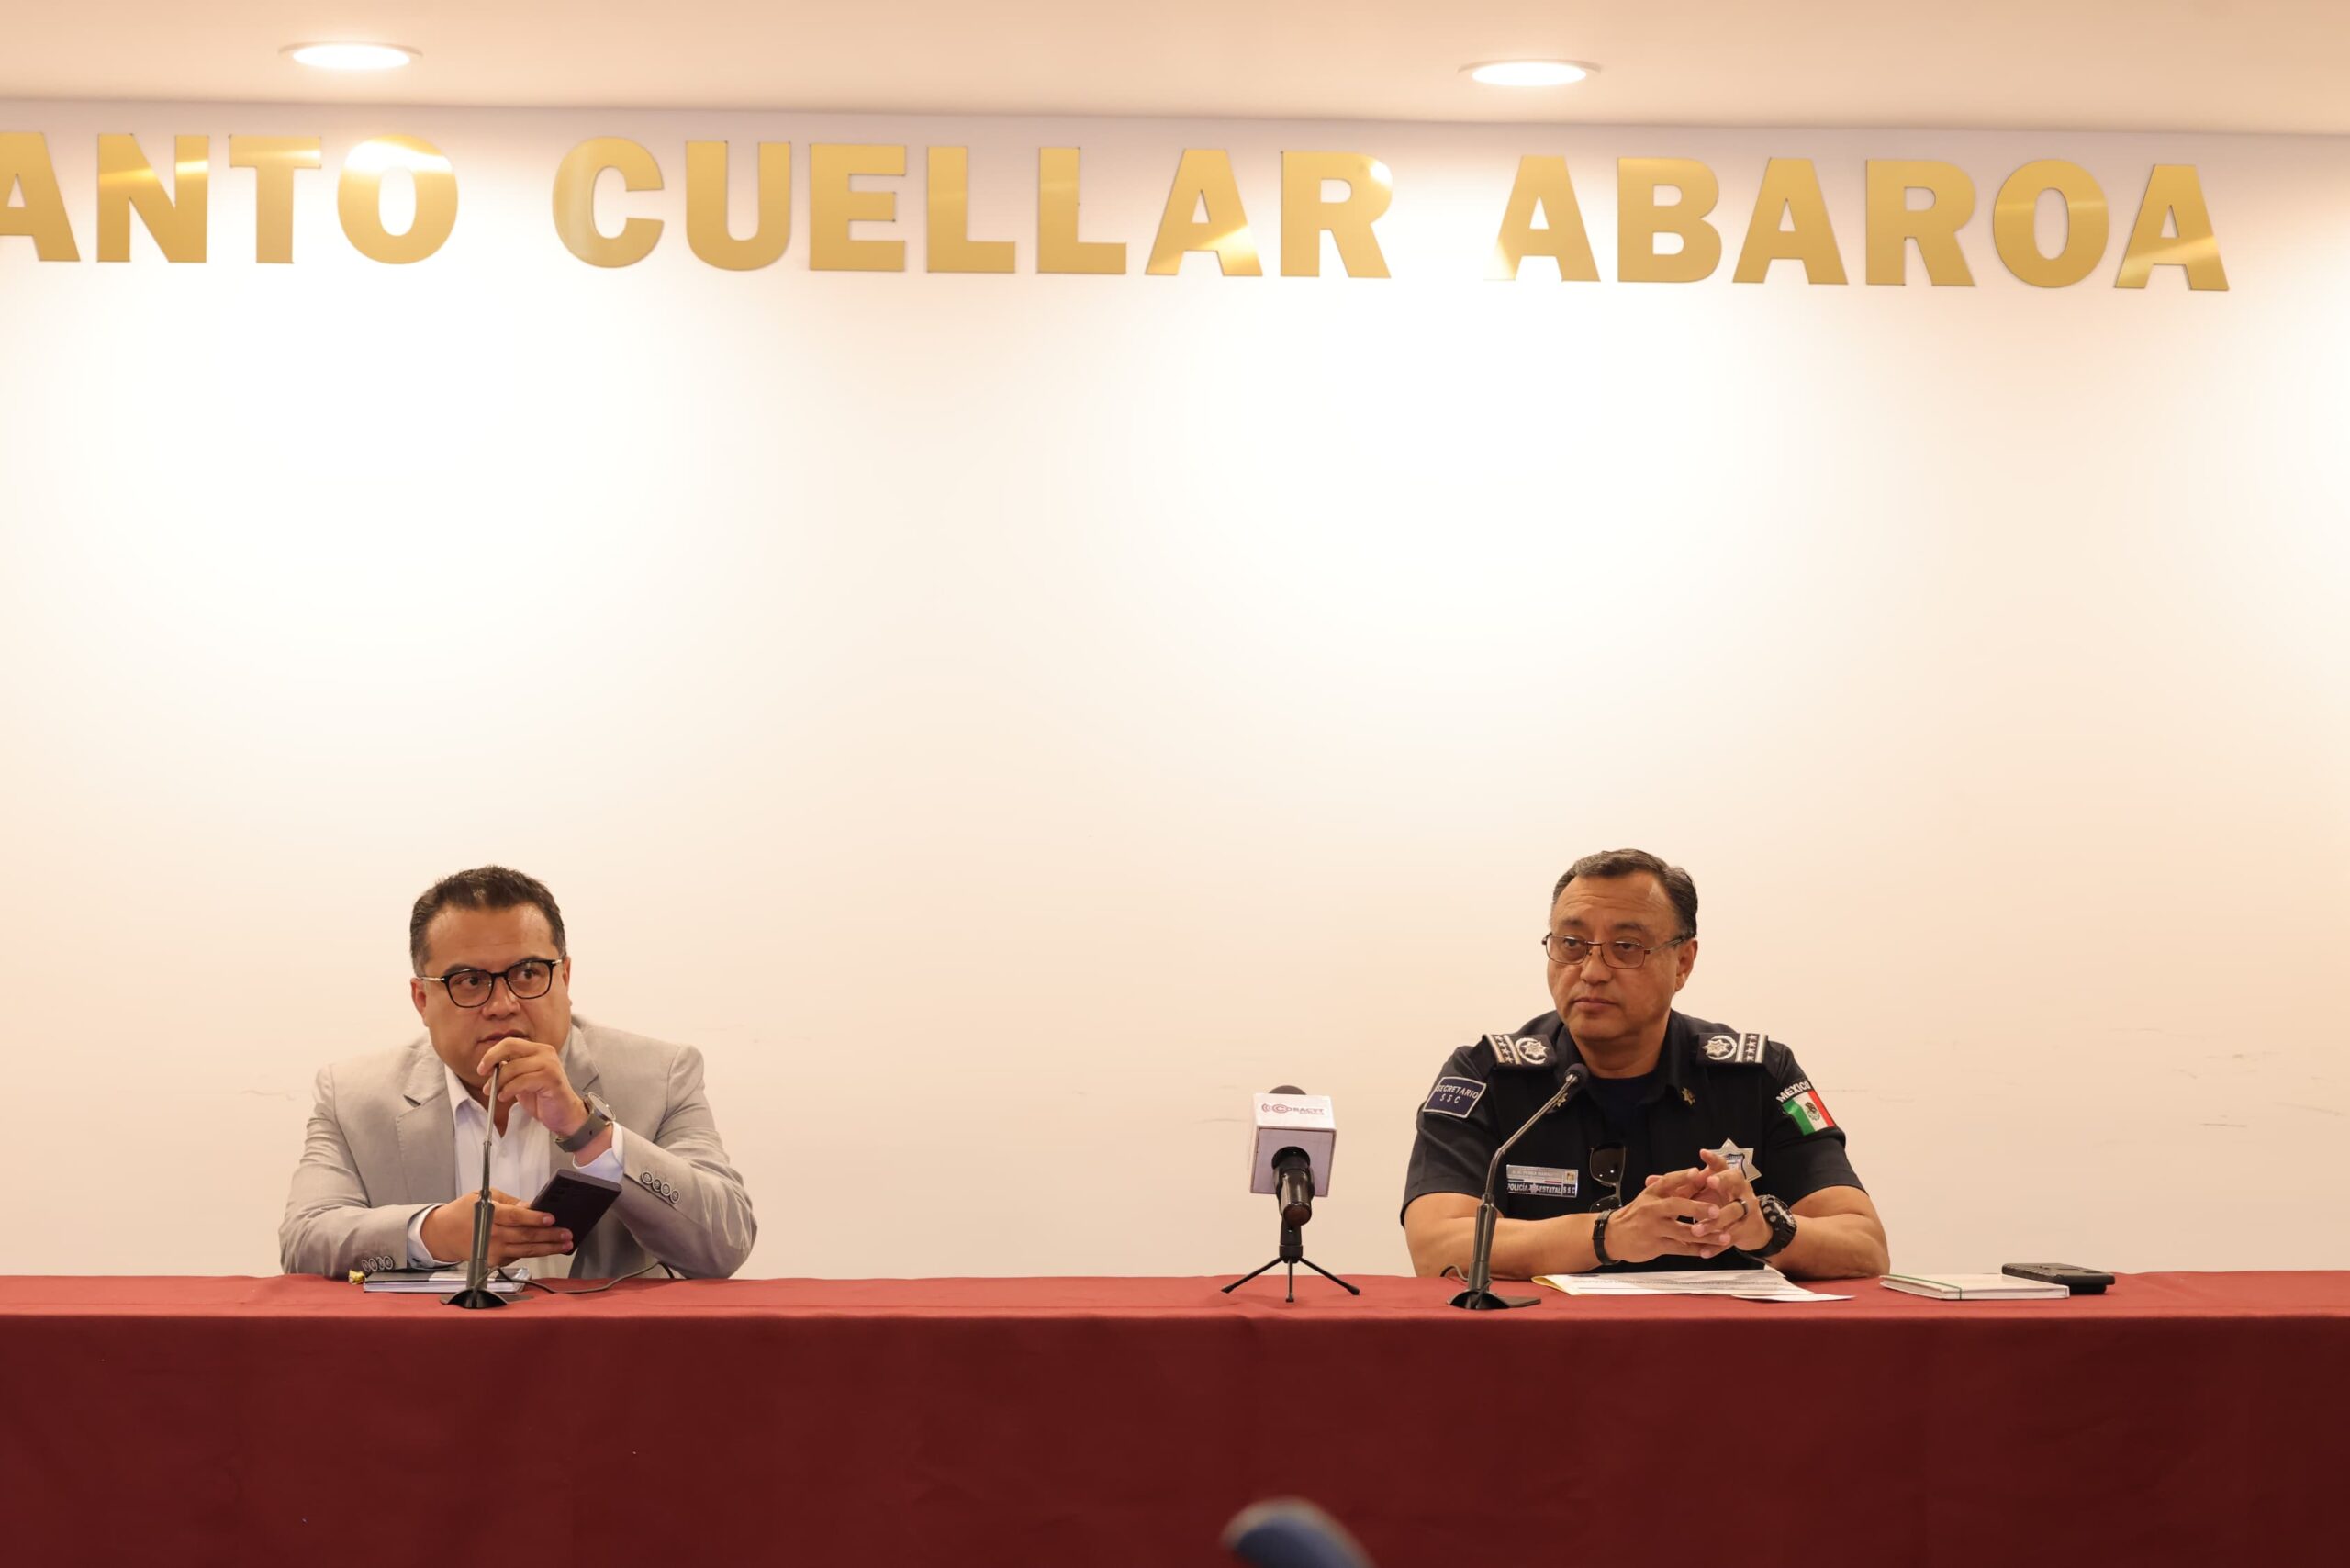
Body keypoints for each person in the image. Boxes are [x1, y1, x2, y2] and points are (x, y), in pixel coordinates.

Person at [1402, 849, 1888, 1282]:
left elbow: (1864, 1246)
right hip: (1543, 1347)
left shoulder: (1757, 1076)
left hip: (1719, 1347)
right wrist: (1608, 1235)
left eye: (1626, 948)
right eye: (1571, 944)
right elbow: (1438, 1246)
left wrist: (1765, 1229)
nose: (1592, 971)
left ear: (1683, 963)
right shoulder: (1487, 1075)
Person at [281, 866, 755, 1280]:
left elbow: (724, 1246)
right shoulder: (352, 1096)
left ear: (564, 978)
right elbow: (304, 1242)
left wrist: (587, 1131)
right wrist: (432, 1233)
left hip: (600, 1352)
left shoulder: (660, 1075)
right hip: (427, 1351)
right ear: (422, 1000)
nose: (502, 1005)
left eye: (528, 973)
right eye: (470, 982)